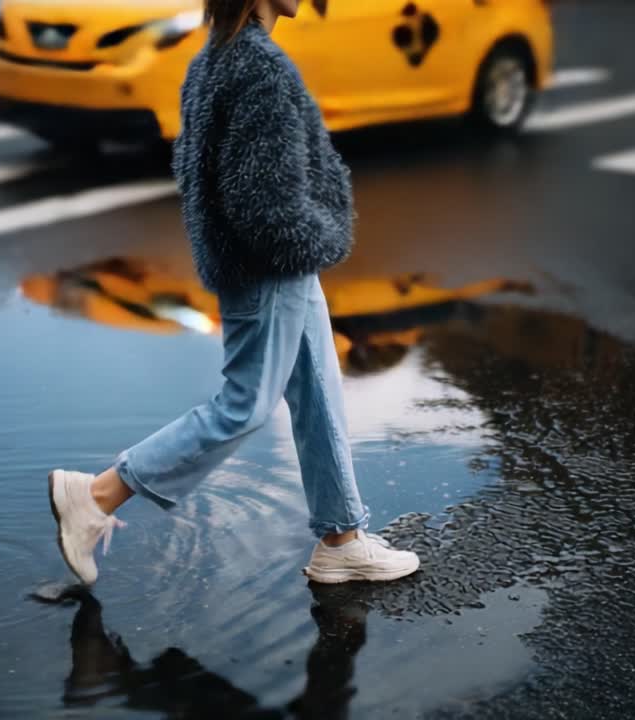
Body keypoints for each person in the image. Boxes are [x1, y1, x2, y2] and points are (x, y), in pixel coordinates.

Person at [46, 0, 421, 586]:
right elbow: (264, 201)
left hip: (259, 257)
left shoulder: (216, 55)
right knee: (245, 404)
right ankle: (95, 495)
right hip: (269, 261)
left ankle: (341, 538)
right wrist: (316, 235)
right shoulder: (258, 66)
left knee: (318, 388)